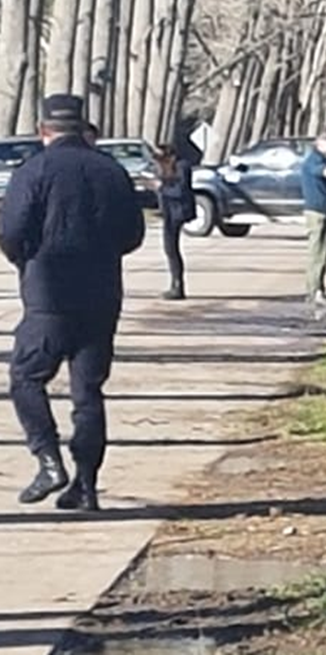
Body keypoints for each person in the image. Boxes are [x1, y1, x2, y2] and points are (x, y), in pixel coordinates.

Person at [0, 94, 146, 511]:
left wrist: (26, 259)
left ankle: (48, 460)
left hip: (49, 294)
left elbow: (11, 230)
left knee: (26, 377)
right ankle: (86, 485)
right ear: (84, 128)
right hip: (101, 295)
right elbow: (133, 234)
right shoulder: (111, 171)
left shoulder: (34, 171)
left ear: (43, 130)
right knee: (88, 392)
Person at [300, 134, 326, 305]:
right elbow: (322, 172)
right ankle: (313, 290)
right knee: (315, 253)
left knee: (324, 252)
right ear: (320, 145)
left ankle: (320, 288)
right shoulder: (313, 160)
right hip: (315, 212)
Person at [154, 143, 194, 300]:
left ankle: (178, 286)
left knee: (171, 248)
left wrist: (160, 188)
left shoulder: (182, 167)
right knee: (170, 249)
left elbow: (180, 191)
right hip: (169, 212)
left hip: (178, 211)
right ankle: (175, 284)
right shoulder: (168, 168)